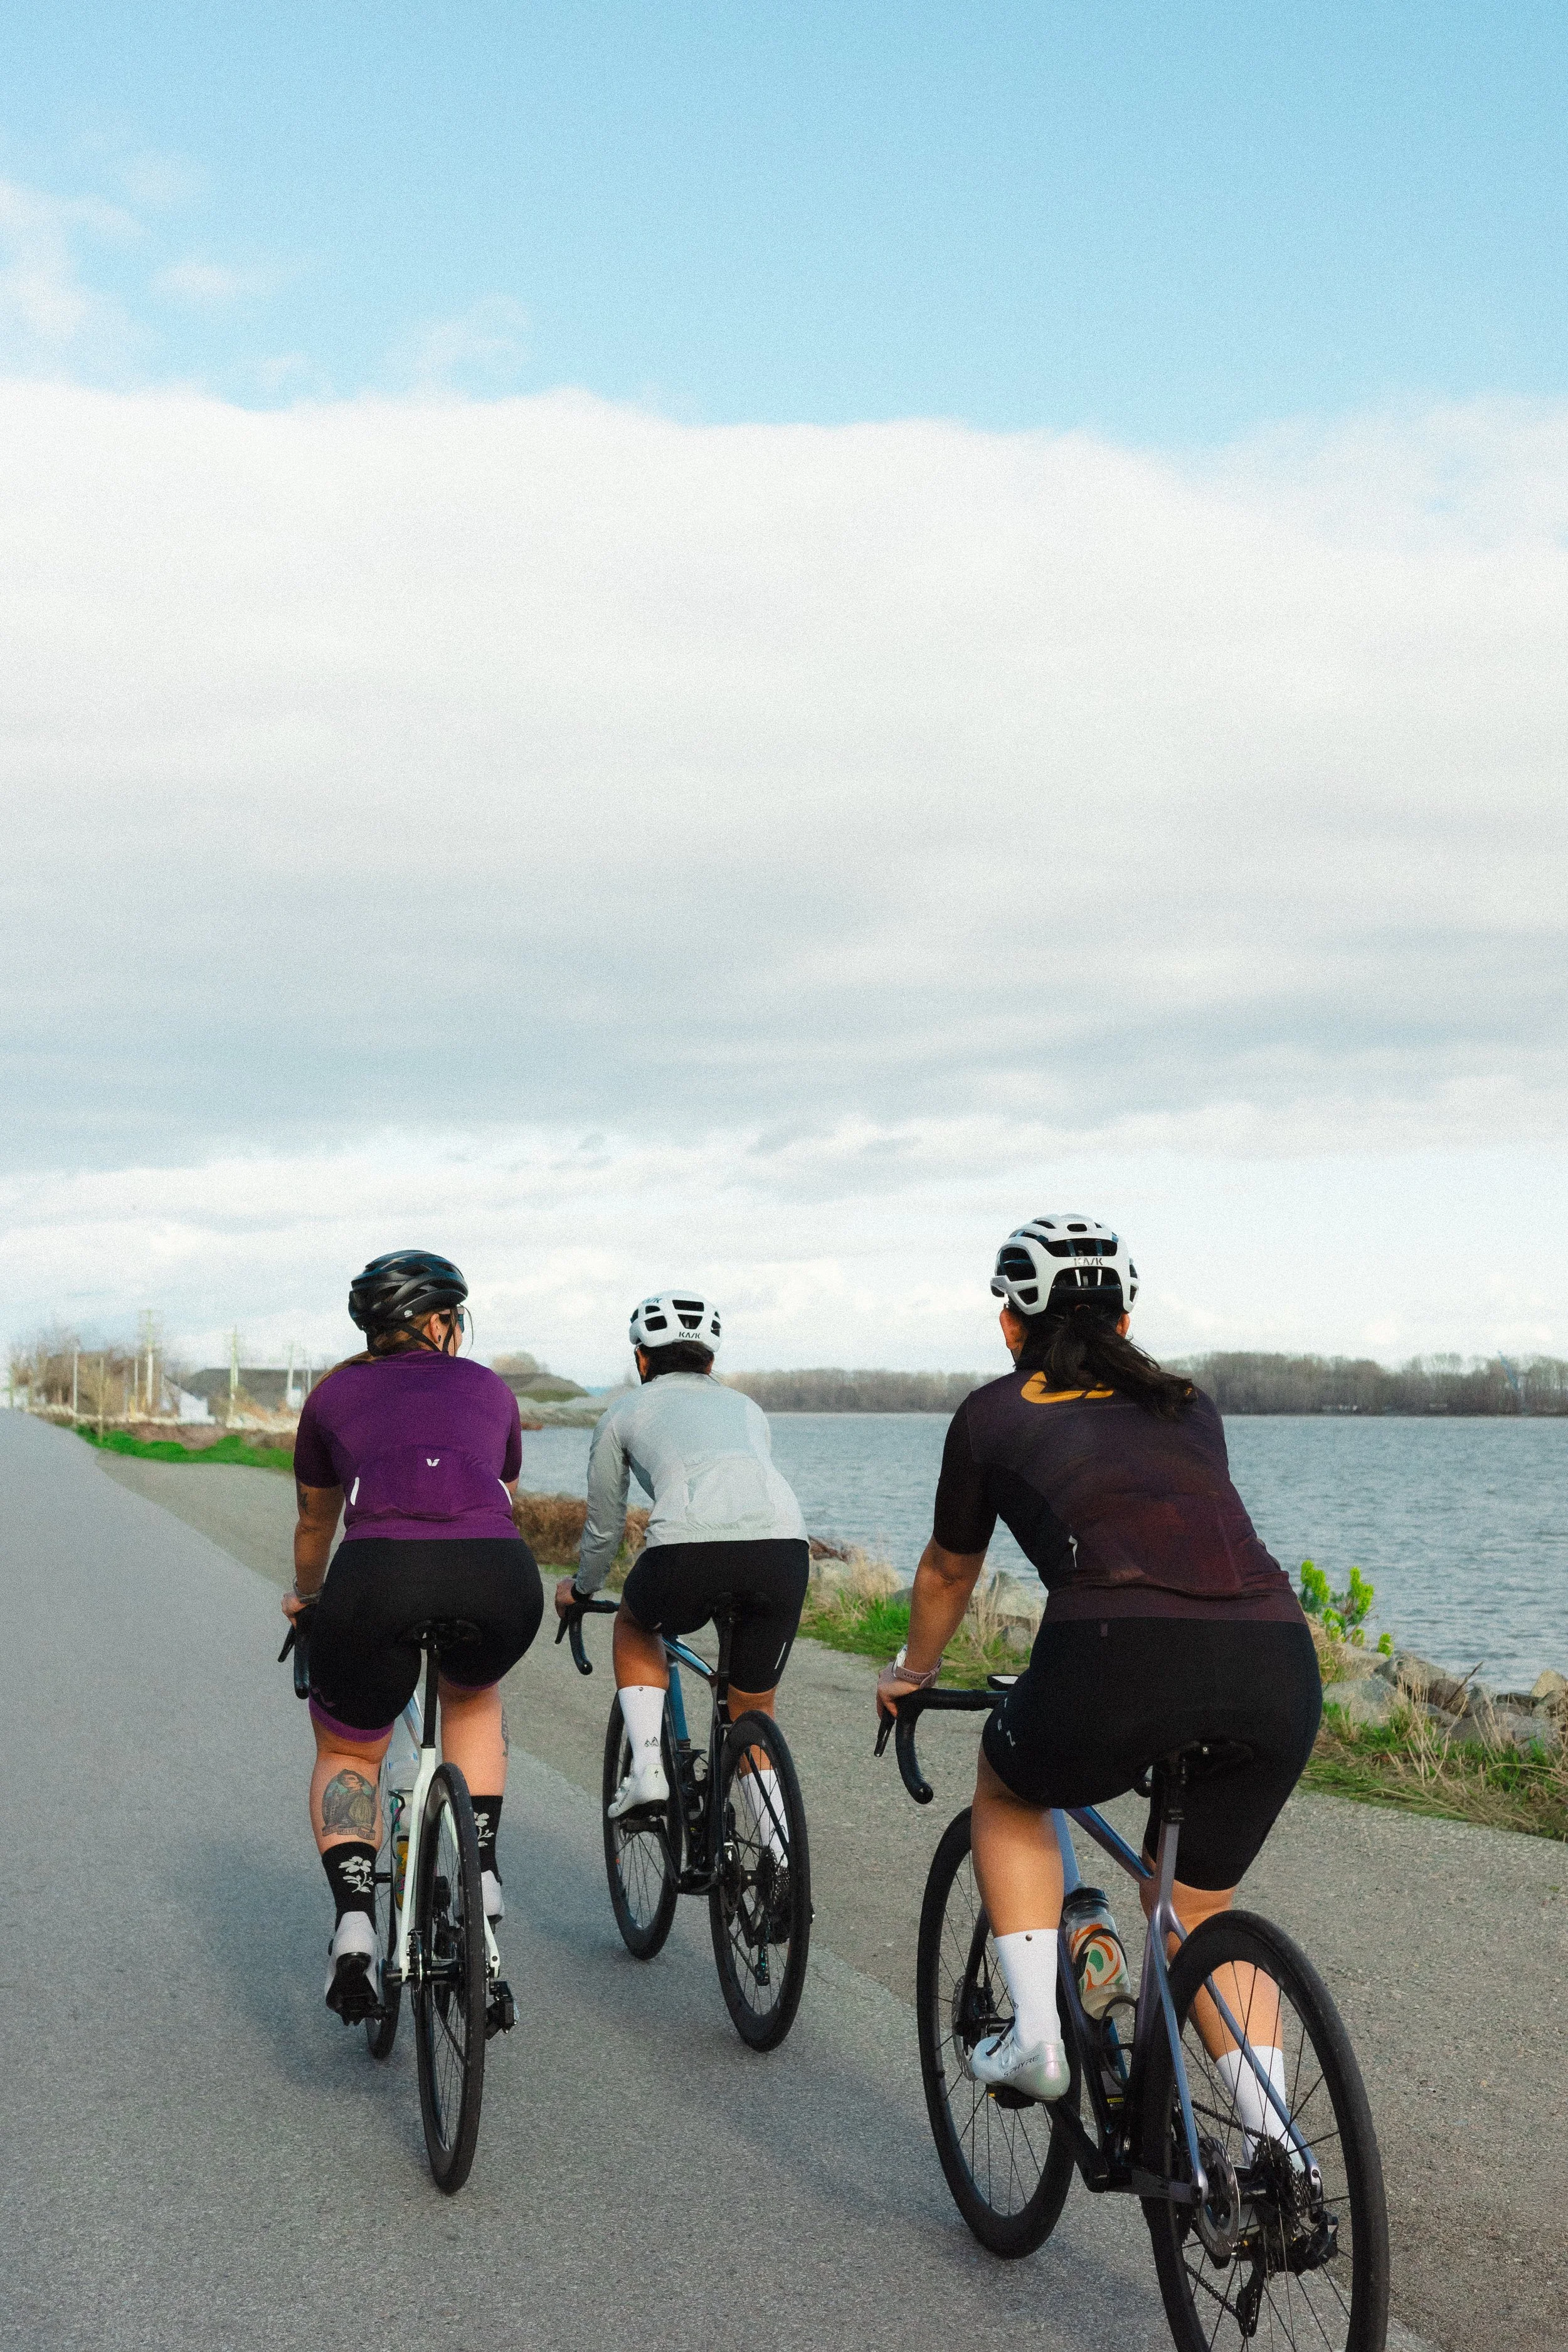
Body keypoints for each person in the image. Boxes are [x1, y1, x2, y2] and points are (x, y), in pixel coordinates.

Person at [875, 1216, 1321, 2131]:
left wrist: (914, 1671)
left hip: (1117, 1651)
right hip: (1277, 1657)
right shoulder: (1189, 1404)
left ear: (1011, 1322)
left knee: (1010, 1785)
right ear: (1123, 1322)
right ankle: (1277, 2155)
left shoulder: (992, 1413)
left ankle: (1036, 2034)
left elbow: (949, 1570)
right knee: (1194, 1909)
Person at [285, 1249, 544, 2023]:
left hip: (377, 1574)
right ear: (440, 1323)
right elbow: (499, 1491)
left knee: (350, 1747)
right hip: (499, 1577)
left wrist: (307, 1599)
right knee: (471, 1698)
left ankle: (357, 1925)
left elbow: (313, 1520)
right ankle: (484, 1872)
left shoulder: (333, 1393)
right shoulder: (490, 1387)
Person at [554, 1291, 809, 1838]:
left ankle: (648, 1767)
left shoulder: (621, 1411)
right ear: (711, 1362)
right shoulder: (746, 1407)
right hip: (784, 1549)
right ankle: (779, 1859)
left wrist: (580, 1589)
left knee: (634, 1622)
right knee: (752, 1709)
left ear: (641, 1359)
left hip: (685, 1551)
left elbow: (605, 1523)